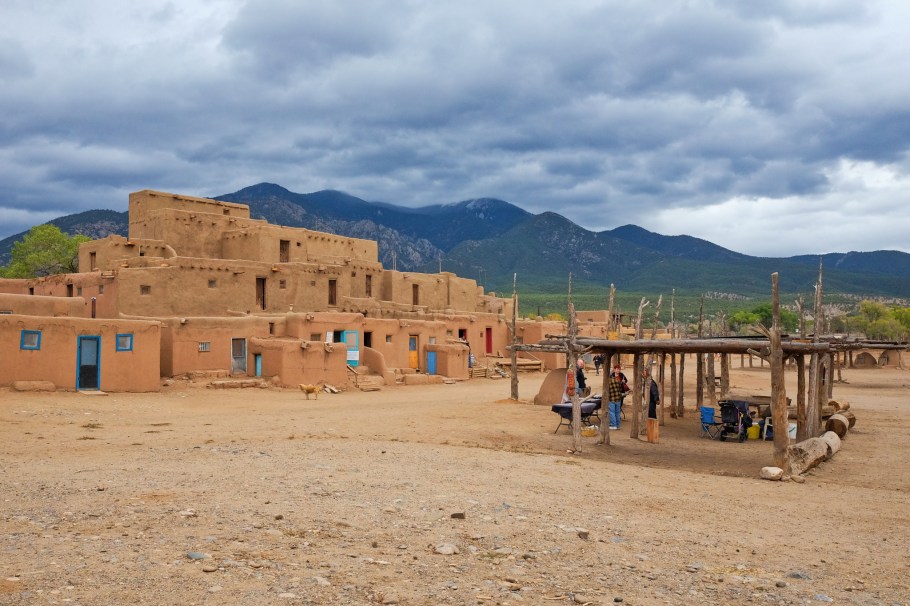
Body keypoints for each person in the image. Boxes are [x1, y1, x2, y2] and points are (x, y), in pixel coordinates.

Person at [607, 365, 624, 429]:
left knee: (612, 412)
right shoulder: (617, 381)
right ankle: (618, 425)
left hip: (612, 399)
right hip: (618, 399)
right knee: (617, 412)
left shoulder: (608, 382)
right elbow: (620, 389)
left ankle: (613, 425)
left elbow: (607, 391)